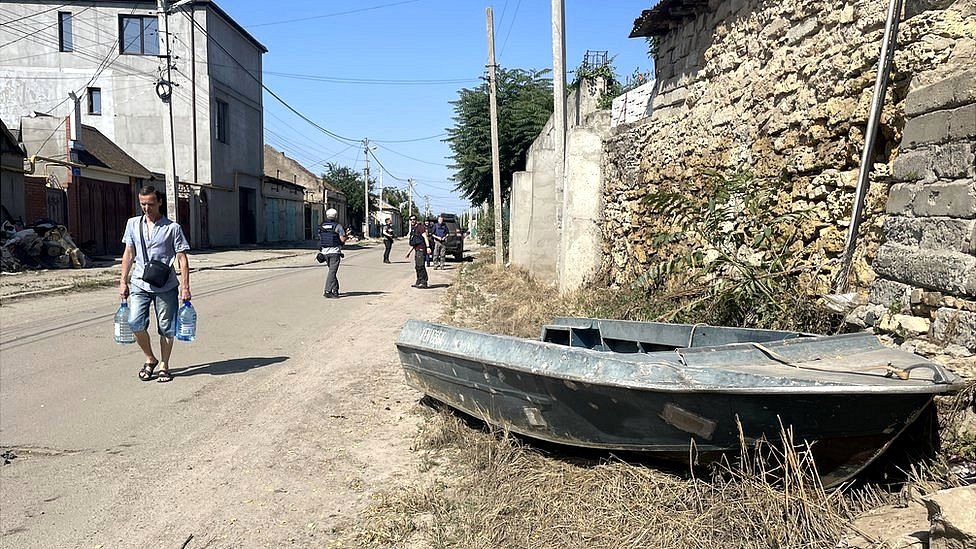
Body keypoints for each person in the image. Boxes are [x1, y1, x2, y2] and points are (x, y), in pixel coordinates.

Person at [119, 185, 191, 383]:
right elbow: (129, 254)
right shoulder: (133, 224)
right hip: (139, 283)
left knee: (166, 327)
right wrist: (122, 281)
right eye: (142, 204)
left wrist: (185, 287)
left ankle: (164, 365)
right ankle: (150, 358)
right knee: (134, 322)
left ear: (159, 202)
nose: (146, 208)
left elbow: (182, 258)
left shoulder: (172, 228)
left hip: (165, 284)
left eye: (150, 203)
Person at [318, 208, 346, 298]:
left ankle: (335, 289)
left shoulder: (322, 226)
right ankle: (327, 291)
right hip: (334, 252)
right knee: (332, 272)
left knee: (332, 272)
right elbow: (342, 239)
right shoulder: (338, 226)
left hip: (324, 252)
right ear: (336, 216)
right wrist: (346, 238)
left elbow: (320, 237)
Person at [405, 214, 431, 289]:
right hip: (417, 249)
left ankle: (424, 282)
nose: (412, 221)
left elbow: (425, 237)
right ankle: (419, 281)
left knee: (421, 266)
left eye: (414, 219)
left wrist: (428, 247)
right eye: (411, 219)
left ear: (416, 220)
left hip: (421, 249)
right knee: (417, 266)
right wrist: (408, 252)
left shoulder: (420, 227)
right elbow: (414, 243)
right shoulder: (414, 229)